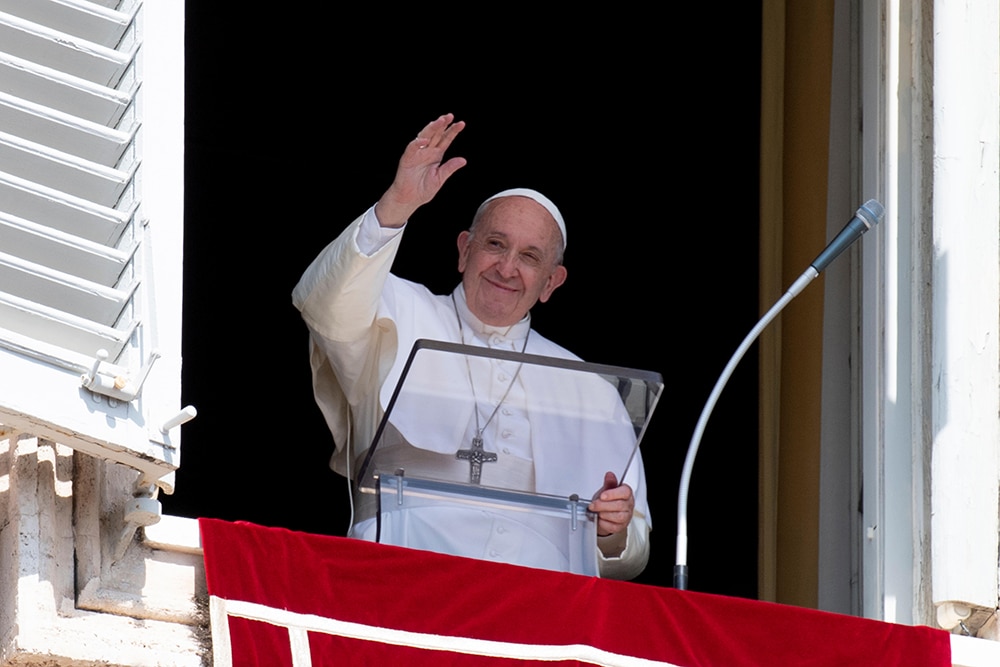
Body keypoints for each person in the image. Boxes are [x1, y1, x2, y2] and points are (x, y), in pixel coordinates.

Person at [292, 113, 650, 579]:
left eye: (529, 257)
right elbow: (324, 302)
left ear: (550, 283)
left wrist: (613, 529)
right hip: (398, 574)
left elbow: (632, 548)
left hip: (534, 600)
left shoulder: (589, 388)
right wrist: (396, 205)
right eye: (495, 244)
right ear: (464, 249)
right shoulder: (398, 308)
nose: (506, 268)